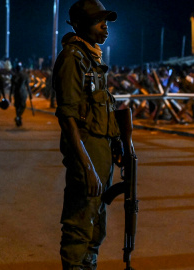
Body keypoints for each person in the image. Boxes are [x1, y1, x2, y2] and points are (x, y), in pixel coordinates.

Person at [52, 0, 120, 269]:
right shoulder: (73, 58)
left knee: (95, 227)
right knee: (78, 229)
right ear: (80, 25)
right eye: (98, 21)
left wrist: (118, 147)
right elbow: (67, 117)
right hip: (87, 158)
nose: (105, 26)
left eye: (106, 21)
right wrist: (87, 165)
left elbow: (102, 110)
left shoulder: (92, 58)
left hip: (100, 156)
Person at [9, 62, 32, 126]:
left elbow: (12, 87)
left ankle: (18, 117)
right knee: (23, 106)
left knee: (17, 106)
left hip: (16, 93)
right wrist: (30, 94)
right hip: (22, 93)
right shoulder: (25, 75)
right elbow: (28, 86)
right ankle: (18, 116)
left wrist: (10, 95)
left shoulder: (14, 76)